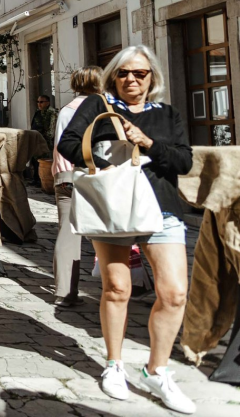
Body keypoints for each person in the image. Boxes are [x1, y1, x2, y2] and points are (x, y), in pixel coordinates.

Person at [58, 46, 195, 413]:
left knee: (174, 293)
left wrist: (148, 143)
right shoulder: (98, 107)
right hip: (114, 207)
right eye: (123, 73)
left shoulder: (167, 115)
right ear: (113, 77)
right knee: (117, 287)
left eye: (140, 73)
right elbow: (68, 142)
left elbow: (183, 161)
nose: (131, 79)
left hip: (163, 208)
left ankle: (157, 370)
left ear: (153, 78)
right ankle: (114, 364)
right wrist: (102, 165)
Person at [50, 66, 103, 308]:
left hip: (67, 175)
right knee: (112, 230)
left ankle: (65, 291)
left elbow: (60, 144)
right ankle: (131, 283)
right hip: (100, 175)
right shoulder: (103, 111)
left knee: (68, 233)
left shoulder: (66, 111)